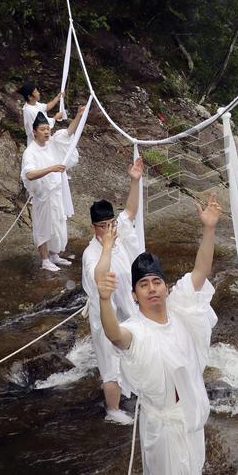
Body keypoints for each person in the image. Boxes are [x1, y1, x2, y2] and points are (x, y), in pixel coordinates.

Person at [95, 193, 222, 475]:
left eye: (156, 282)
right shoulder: (137, 328)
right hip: (162, 419)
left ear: (165, 287)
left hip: (183, 415)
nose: (152, 289)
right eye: (143, 285)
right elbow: (115, 335)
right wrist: (104, 298)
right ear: (134, 295)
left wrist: (209, 228)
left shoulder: (181, 311)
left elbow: (200, 271)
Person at [81, 157, 145, 426]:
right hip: (106, 316)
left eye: (111, 224)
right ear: (94, 227)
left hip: (129, 309)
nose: (110, 229)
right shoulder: (91, 253)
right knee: (110, 364)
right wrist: (107, 245)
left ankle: (140, 391)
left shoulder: (118, 231)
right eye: (103, 226)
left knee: (137, 351)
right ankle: (113, 410)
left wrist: (134, 180)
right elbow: (99, 277)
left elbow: (129, 212)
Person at [21, 106, 86, 272]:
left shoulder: (52, 143)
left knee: (58, 223)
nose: (46, 132)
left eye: (47, 129)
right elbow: (29, 174)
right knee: (43, 226)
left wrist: (78, 115)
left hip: (56, 192)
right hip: (42, 195)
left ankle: (54, 254)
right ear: (35, 132)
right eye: (42, 129)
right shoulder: (30, 152)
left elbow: (68, 133)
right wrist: (50, 168)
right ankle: (44, 259)